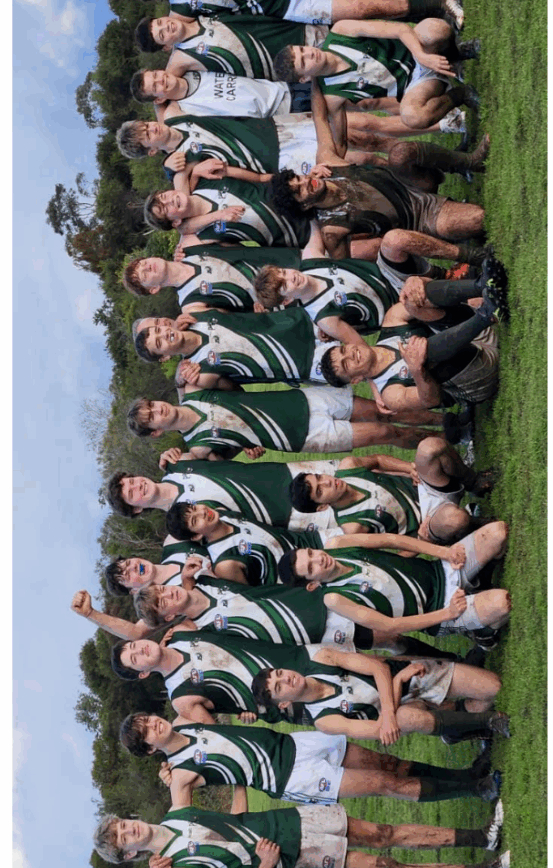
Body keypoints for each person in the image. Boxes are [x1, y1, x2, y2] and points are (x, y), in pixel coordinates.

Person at [120, 708, 506, 825]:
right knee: (385, 783)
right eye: (147, 732)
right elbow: (181, 823)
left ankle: (469, 774)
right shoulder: (180, 777)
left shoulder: (186, 718)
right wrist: (237, 784)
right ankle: (477, 790)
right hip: (291, 777)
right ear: (151, 749)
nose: (154, 725)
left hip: (295, 743)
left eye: (148, 719)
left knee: (388, 762)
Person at [276, 522, 511, 647]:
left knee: (497, 532)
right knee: (501, 603)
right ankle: (482, 631)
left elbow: (391, 540)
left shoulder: (337, 544)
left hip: (440, 570)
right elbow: (390, 626)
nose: (319, 559)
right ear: (312, 585)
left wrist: (444, 552)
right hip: (439, 611)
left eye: (311, 553)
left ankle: (476, 582)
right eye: (311, 568)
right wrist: (447, 613)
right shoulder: (334, 598)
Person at [319, 259, 508, 409]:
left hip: (476, 335)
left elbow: (423, 293)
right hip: (477, 375)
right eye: (346, 364)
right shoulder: (390, 393)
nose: (351, 354)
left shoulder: (391, 322)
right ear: (356, 380)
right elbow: (431, 400)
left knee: (412, 299)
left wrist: (416, 281)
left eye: (343, 350)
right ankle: (489, 314)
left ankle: (483, 284)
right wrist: (416, 370)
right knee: (420, 355)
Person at [93, 805, 510, 867]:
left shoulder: (176, 812)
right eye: (123, 838)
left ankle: (483, 835)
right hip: (291, 857)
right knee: (386, 866)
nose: (129, 829)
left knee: (383, 832)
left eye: (123, 824)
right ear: (129, 855)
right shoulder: (177, 865)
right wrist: (267, 864)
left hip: (289, 820)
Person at [273, 19, 479, 131]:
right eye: (304, 62)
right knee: (412, 117)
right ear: (304, 79)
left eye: (302, 49)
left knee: (436, 29)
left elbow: (400, 29)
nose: (310, 53)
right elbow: (338, 139)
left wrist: (421, 55)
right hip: (417, 84)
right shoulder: (332, 96)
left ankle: (457, 55)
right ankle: (461, 94)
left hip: (417, 50)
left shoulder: (340, 31)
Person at [253, 654, 510, 744]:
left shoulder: (323, 659)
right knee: (406, 718)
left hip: (411, 676)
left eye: (280, 673)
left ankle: (456, 725)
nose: (287, 679)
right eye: (279, 687)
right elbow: (380, 731)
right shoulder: (324, 721)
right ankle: (489, 722)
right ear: (284, 703)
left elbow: (379, 668)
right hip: (398, 710)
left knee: (494, 687)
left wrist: (398, 681)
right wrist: (395, 686)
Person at [268, 153, 487, 258]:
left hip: (410, 182)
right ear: (304, 207)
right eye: (299, 191)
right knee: (478, 219)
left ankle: (470, 162)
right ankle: (473, 255)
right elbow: (349, 270)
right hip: (422, 217)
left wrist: (317, 82)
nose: (305, 182)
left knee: (401, 153)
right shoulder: (333, 230)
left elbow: (325, 115)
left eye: (298, 178)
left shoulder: (329, 165)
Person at [289, 436, 496, 543]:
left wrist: (408, 468)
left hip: (424, 485)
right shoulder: (353, 527)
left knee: (430, 447)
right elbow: (395, 554)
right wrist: (423, 539)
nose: (326, 482)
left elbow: (378, 460)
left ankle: (475, 483)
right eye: (320, 491)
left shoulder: (348, 467)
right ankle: (473, 526)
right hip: (430, 520)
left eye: (319, 477)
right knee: (455, 519)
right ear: (322, 507)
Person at [126, 390, 441, 456]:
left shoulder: (196, 388)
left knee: (383, 411)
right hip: (302, 436)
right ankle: (447, 442)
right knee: (384, 432)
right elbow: (210, 463)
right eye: (152, 418)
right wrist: (171, 459)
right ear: (156, 432)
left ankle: (449, 421)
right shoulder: (197, 447)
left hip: (301, 400)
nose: (158, 410)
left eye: (151, 405)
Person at [105, 453, 344, 530]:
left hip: (289, 473)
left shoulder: (178, 462)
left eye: (132, 481)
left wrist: (247, 444)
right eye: (132, 494)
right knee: (355, 513)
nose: (138, 485)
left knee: (355, 473)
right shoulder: (183, 524)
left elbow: (218, 453)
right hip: (289, 515)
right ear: (136, 510)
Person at [253, 219, 397, 339]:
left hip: (389, 273)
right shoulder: (324, 318)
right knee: (395, 241)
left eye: (284, 272)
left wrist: (307, 208)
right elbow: (357, 345)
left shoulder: (309, 261)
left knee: (391, 241)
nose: (292, 277)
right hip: (395, 306)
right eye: (285, 285)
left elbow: (315, 230)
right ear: (287, 300)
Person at [132, 307, 343, 386]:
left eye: (158, 329)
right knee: (359, 363)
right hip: (301, 363)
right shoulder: (200, 372)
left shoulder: (194, 315)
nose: (164, 334)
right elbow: (236, 393)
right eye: (159, 343)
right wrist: (180, 379)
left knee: (358, 329)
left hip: (297, 323)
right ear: (164, 357)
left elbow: (235, 313)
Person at [135, 13, 329, 79]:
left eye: (160, 22)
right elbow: (160, 93)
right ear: (166, 47)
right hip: (300, 67)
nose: (167, 27)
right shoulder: (182, 57)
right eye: (162, 35)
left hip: (302, 30)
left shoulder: (196, 12)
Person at [121, 248, 302, 311]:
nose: (147, 266)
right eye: (144, 275)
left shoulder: (188, 246)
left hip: (287, 263)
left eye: (143, 262)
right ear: (153, 289)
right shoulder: (190, 305)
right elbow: (230, 319)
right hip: (284, 301)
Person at [131, 67, 313, 119]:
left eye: (155, 75)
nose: (161, 80)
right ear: (158, 99)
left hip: (285, 86)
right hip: (285, 114)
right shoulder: (187, 112)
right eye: (155, 87)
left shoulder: (191, 64)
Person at [159, 0, 465, 27]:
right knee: (361, 10)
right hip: (285, 7)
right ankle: (438, 7)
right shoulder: (180, 9)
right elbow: (176, 51)